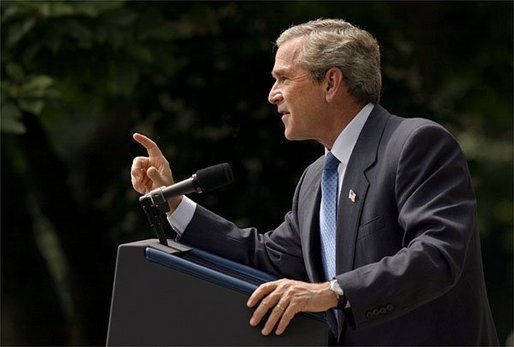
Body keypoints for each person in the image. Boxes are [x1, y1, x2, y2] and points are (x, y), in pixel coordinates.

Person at [130, 18, 499, 345]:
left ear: (331, 82)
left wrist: (333, 291)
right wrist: (174, 203)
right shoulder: (314, 180)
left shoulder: (415, 144)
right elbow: (268, 259)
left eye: (283, 78)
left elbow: (438, 255)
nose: (272, 94)